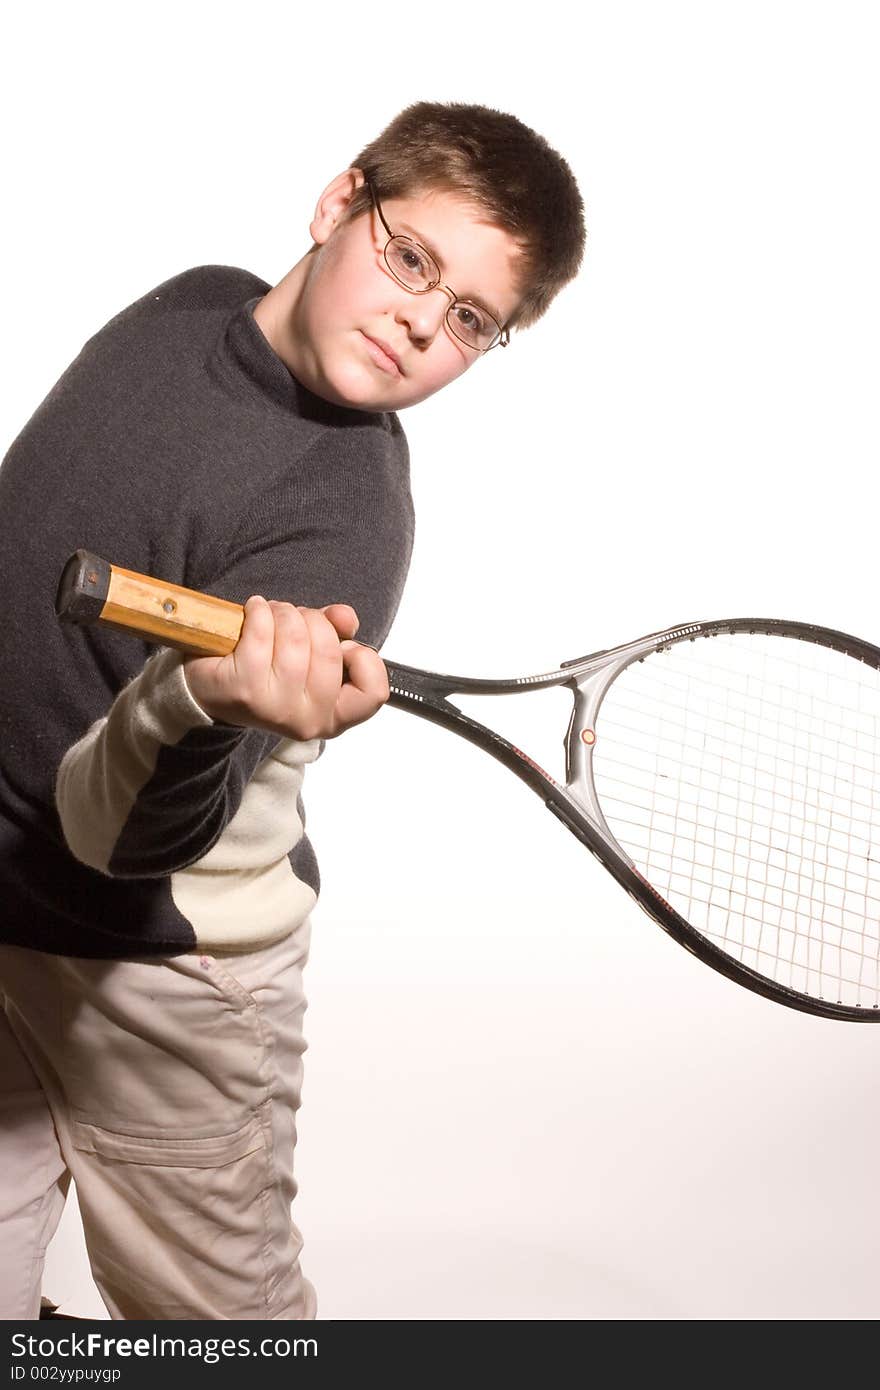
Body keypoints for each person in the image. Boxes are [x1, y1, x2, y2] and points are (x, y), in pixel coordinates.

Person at [0, 101, 586, 1321]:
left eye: (472, 320)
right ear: (337, 205)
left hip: (161, 983)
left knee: (226, 1335)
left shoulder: (344, 525)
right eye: (411, 257)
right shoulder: (188, 304)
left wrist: (208, 699)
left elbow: (126, 840)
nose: (424, 319)